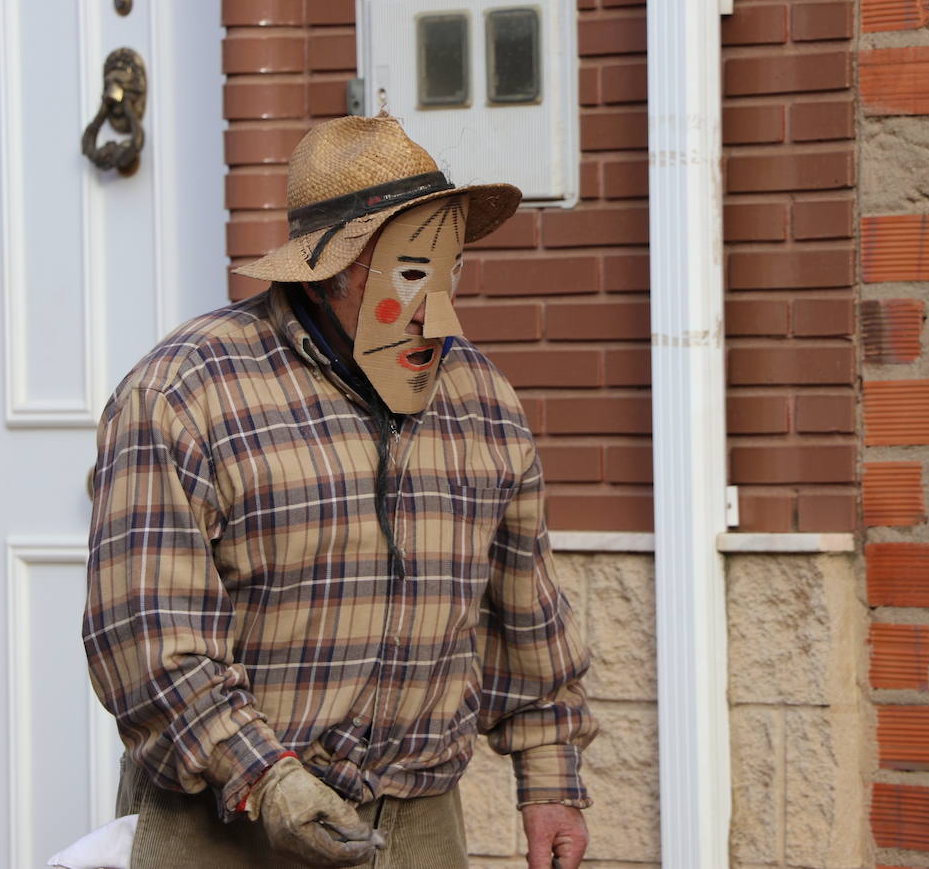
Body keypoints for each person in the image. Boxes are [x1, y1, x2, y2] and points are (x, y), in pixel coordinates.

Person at [83, 115, 597, 869]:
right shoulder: (187, 393)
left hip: (419, 827)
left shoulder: (481, 402)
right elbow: (147, 637)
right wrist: (266, 778)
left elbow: (526, 612)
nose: (436, 307)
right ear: (328, 273)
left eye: (446, 271)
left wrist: (551, 781)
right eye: (410, 275)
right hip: (230, 824)